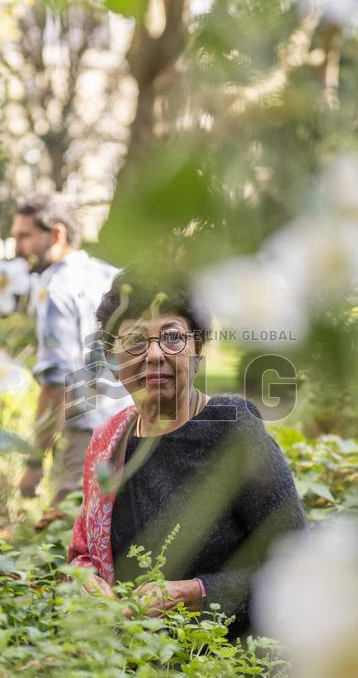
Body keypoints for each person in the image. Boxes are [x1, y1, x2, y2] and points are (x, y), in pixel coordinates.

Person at [67, 268, 306, 634]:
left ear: (199, 350)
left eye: (172, 337)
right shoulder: (107, 441)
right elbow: (83, 554)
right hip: (125, 662)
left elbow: (297, 564)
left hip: (220, 663)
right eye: (134, 341)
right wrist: (86, 582)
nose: (153, 355)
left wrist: (200, 594)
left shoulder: (232, 431)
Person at [11, 194, 129, 502]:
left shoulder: (54, 289)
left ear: (56, 235)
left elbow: (56, 382)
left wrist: (34, 462)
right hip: (133, 428)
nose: (18, 249)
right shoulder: (112, 275)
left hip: (86, 439)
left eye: (24, 236)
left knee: (70, 532)